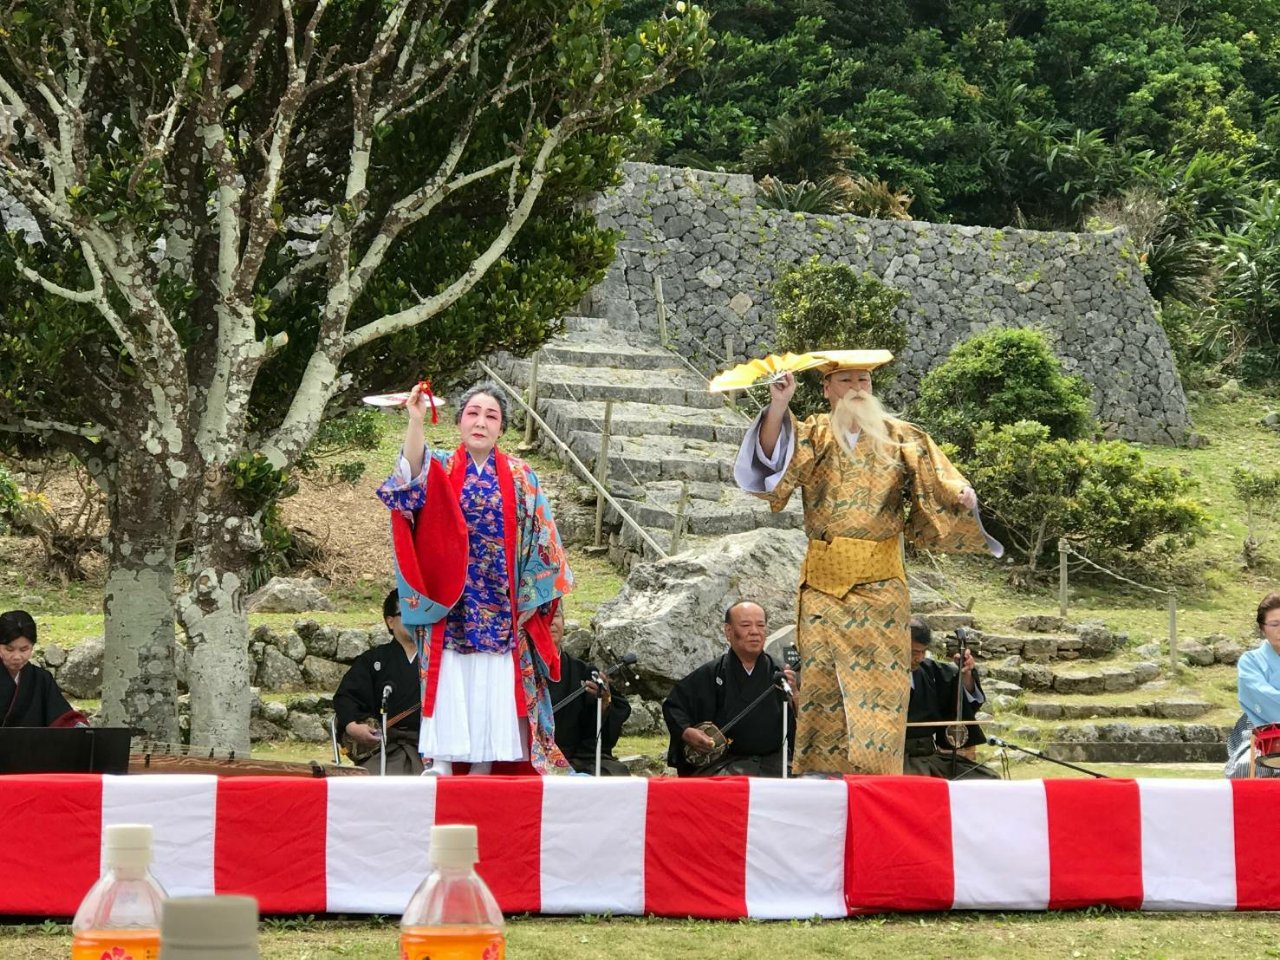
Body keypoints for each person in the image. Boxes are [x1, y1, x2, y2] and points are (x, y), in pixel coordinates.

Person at [733, 351, 1000, 775]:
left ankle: (875, 775)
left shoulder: (900, 436)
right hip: (825, 581)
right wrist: (780, 405)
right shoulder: (815, 435)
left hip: (881, 583)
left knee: (883, 683)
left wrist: (960, 492)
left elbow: (940, 479)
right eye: (846, 381)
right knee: (821, 678)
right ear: (827, 389)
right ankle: (823, 771)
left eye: (864, 381)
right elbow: (771, 467)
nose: (857, 388)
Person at [377, 380, 573, 775]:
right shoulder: (441, 466)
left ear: (502, 428)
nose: (481, 422)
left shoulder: (522, 476)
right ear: (460, 421)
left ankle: (484, 760)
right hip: (451, 595)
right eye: (473, 413)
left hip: (501, 595)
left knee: (491, 675)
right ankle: (445, 759)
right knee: (449, 672)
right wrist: (416, 421)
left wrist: (530, 599)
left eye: (491, 415)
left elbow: (543, 538)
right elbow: (408, 480)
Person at [662, 601, 796, 777]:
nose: (755, 631)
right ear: (728, 631)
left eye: (760, 625)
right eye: (746, 625)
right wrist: (687, 732)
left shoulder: (780, 674)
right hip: (722, 763)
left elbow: (804, 720)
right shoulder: (712, 673)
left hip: (773, 763)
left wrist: (795, 695)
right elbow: (674, 706)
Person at [333, 590, 425, 775]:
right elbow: (346, 697)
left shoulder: (436, 659)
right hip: (383, 748)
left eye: (419, 614)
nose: (414, 620)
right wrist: (352, 726)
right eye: (406, 613)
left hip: (429, 748)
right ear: (390, 621)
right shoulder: (372, 660)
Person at [903, 618, 998, 780]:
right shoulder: (877, 675)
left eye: (923, 652)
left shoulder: (930, 671)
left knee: (987, 779)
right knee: (919, 789)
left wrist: (966, 673)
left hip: (930, 757)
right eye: (913, 652)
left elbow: (957, 692)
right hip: (899, 759)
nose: (919, 658)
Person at [546, 606, 632, 776]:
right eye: (544, 616)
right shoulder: (519, 672)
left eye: (556, 615)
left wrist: (604, 704)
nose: (551, 622)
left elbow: (596, 739)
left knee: (615, 773)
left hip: (573, 757)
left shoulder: (582, 672)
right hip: (530, 756)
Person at [0, 610, 89, 727]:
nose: (17, 657)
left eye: (24, 649)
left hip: (32, 744)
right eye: (9, 649)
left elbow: (61, 717)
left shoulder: (41, 679)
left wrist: (77, 727)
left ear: (32, 646)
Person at [1225, 592, 1280, 779]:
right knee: (1245, 768)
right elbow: (1263, 696)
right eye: (1275, 624)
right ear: (1262, 628)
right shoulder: (1251, 661)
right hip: (1262, 731)